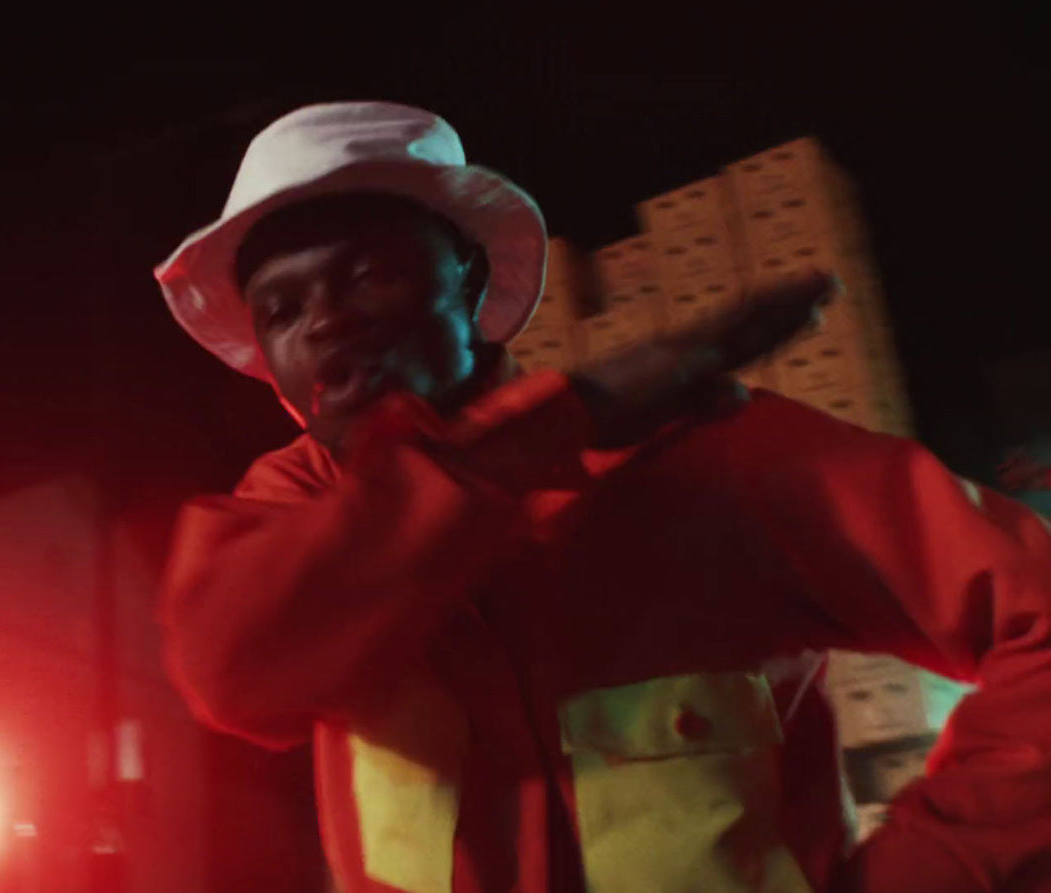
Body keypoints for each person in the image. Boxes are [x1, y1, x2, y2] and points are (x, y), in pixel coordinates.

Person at [152, 102, 1051, 893]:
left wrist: (936, 870)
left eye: (367, 274)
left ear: (466, 278)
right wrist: (555, 428)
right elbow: (233, 665)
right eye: (279, 309)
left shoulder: (709, 457)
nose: (325, 323)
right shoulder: (296, 511)